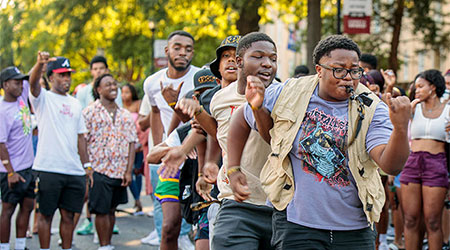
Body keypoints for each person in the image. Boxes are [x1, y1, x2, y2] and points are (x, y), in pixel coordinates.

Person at [234, 35, 411, 249]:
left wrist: (400, 129)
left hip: (354, 229)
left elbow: (389, 164)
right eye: (338, 69)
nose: (347, 77)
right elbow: (242, 118)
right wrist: (233, 169)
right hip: (296, 223)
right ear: (319, 70)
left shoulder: (373, 107)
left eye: (354, 71)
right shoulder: (288, 92)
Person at [29, 52, 93, 250]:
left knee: (69, 216)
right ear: (50, 78)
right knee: (45, 215)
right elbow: (32, 84)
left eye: (68, 74)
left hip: (73, 170)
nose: (66, 79)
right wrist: (40, 63)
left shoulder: (75, 103)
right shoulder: (43, 99)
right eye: (61, 75)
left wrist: (87, 166)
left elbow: (81, 137)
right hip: (48, 168)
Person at [142, 30, 199, 249]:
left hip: (194, 154)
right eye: (177, 48)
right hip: (168, 153)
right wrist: (160, 143)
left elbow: (200, 120)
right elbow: (155, 113)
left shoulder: (200, 76)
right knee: (168, 225)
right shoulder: (152, 82)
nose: (183, 53)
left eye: (188, 49)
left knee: (191, 220)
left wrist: (176, 104)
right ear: (167, 50)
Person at [83, 74, 137, 250]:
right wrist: (87, 167)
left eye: (115, 84)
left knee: (112, 209)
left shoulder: (125, 115)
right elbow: (82, 141)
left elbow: (131, 144)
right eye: (108, 85)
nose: (113, 87)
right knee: (101, 210)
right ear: (98, 89)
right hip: (98, 169)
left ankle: (108, 244)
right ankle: (103, 245)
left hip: (119, 171)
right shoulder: (90, 112)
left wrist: (128, 171)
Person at [400, 70, 449, 250]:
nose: (416, 90)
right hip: (412, 162)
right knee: (411, 219)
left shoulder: (449, 109)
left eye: (421, 86)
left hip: (436, 163)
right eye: (415, 87)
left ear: (433, 87)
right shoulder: (413, 108)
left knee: (433, 221)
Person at [0, 66, 34, 250]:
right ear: (5, 85)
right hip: (10, 170)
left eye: (22, 81)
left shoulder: (21, 98)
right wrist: (11, 172)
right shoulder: (2, 110)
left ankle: (21, 246)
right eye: (16, 81)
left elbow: (33, 77)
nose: (21, 84)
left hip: (28, 166)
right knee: (8, 209)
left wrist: (40, 63)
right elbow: (0, 144)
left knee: (28, 205)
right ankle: (4, 247)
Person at [121, 83, 144, 214]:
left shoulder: (138, 104)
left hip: (138, 143)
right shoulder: (120, 107)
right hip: (126, 145)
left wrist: (141, 142)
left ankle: (138, 198)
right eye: (123, 92)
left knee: (137, 172)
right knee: (128, 172)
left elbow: (141, 124)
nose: (124, 95)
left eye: (127, 92)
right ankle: (137, 199)